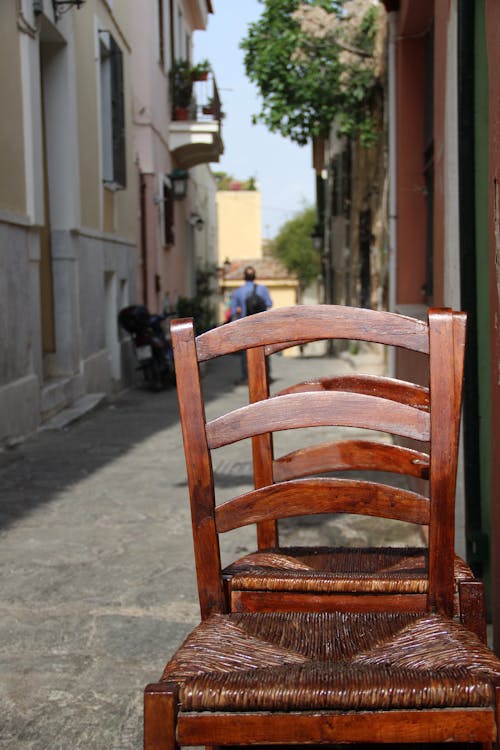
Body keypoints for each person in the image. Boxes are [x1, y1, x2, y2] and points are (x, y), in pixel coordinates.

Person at [230, 265, 273, 385]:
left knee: (245, 353)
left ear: (244, 277)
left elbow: (233, 311)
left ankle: (246, 377)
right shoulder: (263, 289)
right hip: (261, 324)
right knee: (264, 350)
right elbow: (269, 303)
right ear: (255, 277)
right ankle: (266, 377)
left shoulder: (238, 292)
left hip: (245, 325)